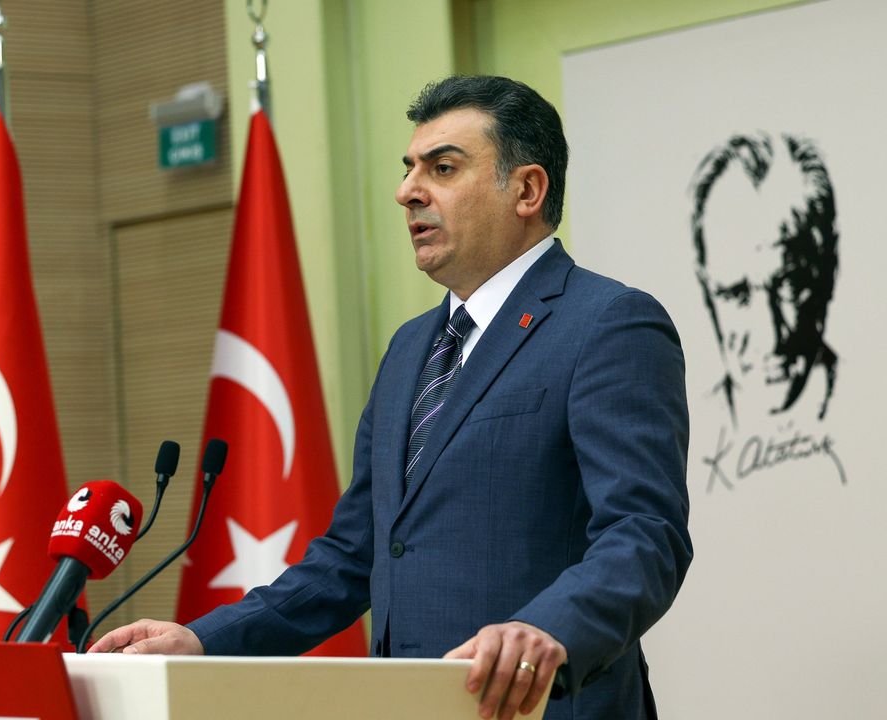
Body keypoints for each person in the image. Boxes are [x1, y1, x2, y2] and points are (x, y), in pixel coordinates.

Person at [91, 75, 692, 720]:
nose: (407, 191)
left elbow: (644, 533)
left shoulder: (607, 324)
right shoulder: (411, 348)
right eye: (409, 169)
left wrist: (547, 630)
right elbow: (352, 558)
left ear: (527, 190)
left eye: (442, 168)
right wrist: (203, 641)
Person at [690, 132, 839, 425]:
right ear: (706, 291)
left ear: (828, 273)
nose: (769, 339)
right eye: (736, 294)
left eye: (790, 285)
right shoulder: (688, 422)